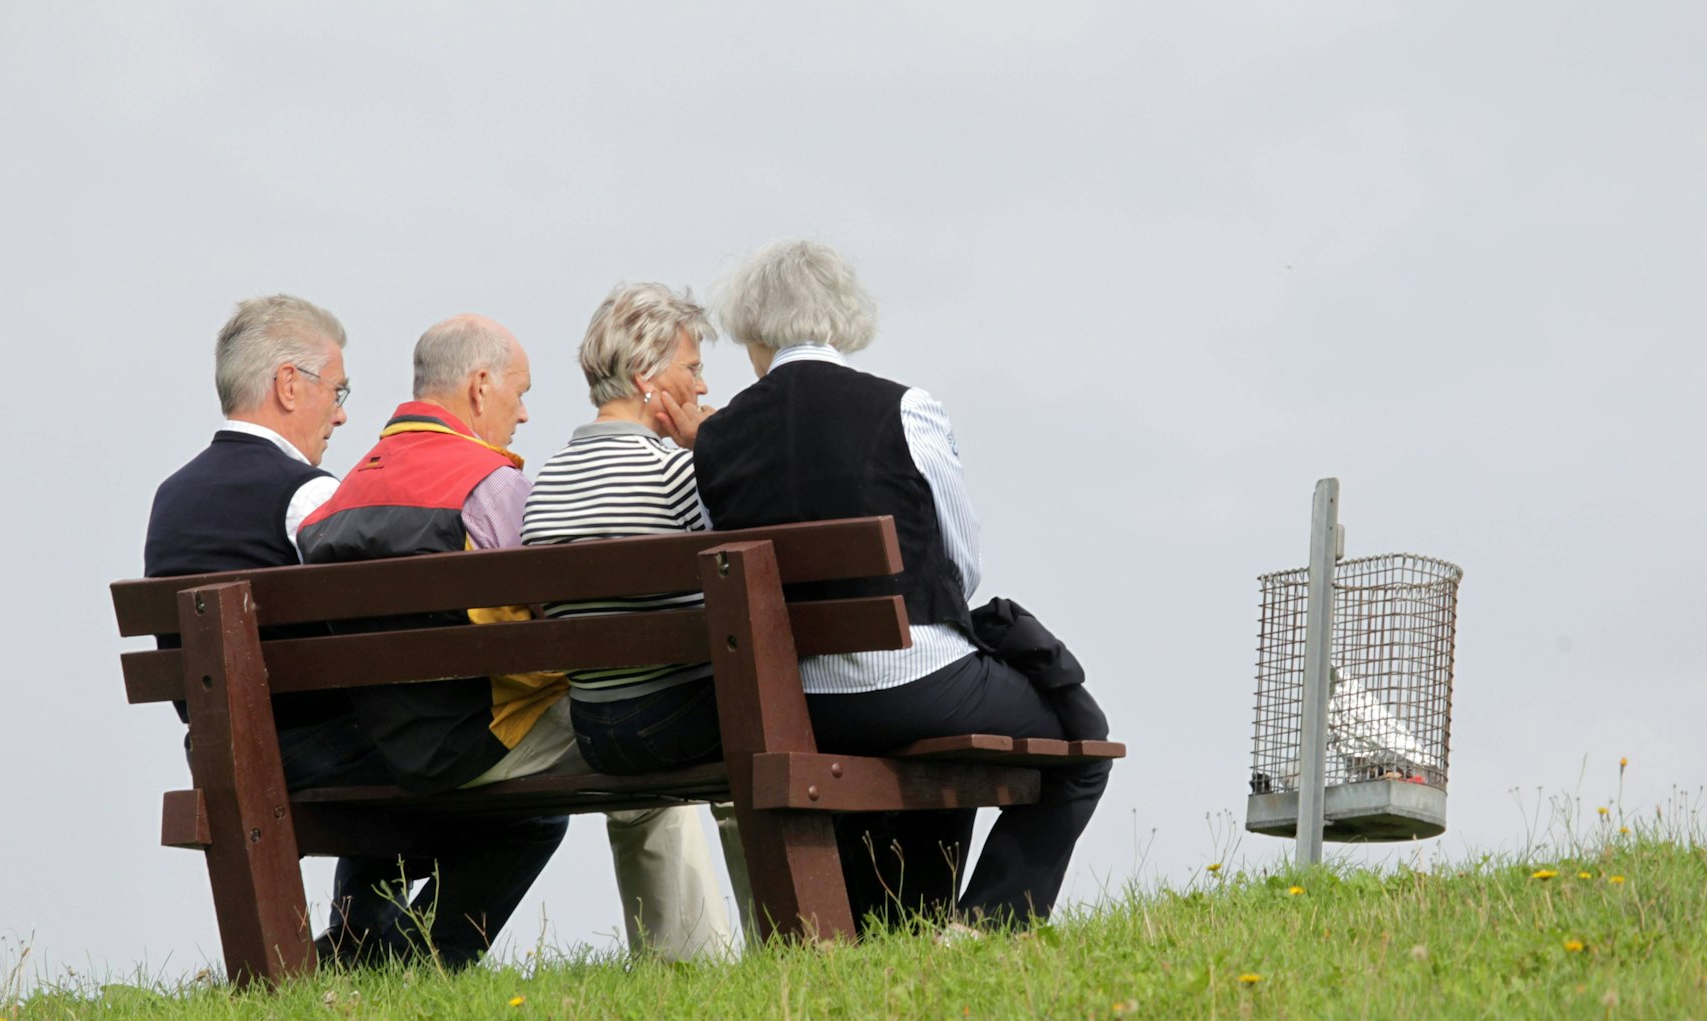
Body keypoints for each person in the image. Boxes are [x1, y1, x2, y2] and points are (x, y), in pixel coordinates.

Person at [692, 240, 1111, 930]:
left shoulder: (716, 440)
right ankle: (981, 929)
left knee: (936, 749)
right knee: (1080, 747)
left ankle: (905, 923)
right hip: (921, 686)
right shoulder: (907, 409)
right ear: (837, 317)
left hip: (798, 705)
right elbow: (960, 564)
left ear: (755, 331)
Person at [142, 294, 561, 971]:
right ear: (287, 386)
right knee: (518, 808)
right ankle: (416, 961)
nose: (341, 413)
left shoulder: (173, 494)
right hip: (320, 752)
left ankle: (360, 942)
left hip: (221, 751)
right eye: (337, 391)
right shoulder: (307, 495)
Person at [297, 313, 733, 960]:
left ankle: (397, 957)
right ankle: (691, 960)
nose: (525, 414)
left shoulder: (338, 501)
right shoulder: (491, 488)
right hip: (487, 738)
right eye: (519, 392)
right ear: (479, 386)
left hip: (395, 749)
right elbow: (555, 623)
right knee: (644, 744)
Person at [520, 283, 721, 774]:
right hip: (678, 723)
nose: (702, 387)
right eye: (692, 369)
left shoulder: (545, 483)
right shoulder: (676, 472)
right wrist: (717, 450)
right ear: (644, 375)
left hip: (593, 731)